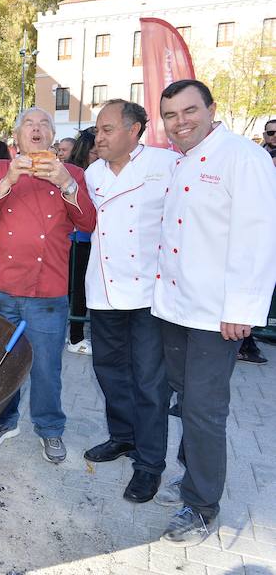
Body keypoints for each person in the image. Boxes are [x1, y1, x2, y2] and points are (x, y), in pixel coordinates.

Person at [150, 80, 276, 546]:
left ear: (211, 109)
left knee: (204, 411)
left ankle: (202, 507)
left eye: (189, 111)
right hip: (177, 307)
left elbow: (258, 237)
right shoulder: (179, 161)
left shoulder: (244, 157)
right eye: (170, 115)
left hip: (216, 315)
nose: (180, 122)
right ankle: (190, 482)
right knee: (186, 400)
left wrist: (241, 309)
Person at [0, 107, 97, 463]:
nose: (37, 129)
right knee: (2, 363)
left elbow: (87, 221)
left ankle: (50, 428)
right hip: (3, 287)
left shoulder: (71, 173)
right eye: (30, 124)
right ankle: (5, 420)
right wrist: (8, 180)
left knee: (46, 367)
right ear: (17, 136)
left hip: (48, 290)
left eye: (44, 124)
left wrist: (67, 184)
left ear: (53, 136)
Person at [81, 99, 179, 505]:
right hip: (103, 291)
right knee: (109, 372)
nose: (98, 137)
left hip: (148, 294)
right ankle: (122, 437)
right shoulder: (91, 173)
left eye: (106, 129)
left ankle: (150, 463)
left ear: (134, 129)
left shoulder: (165, 165)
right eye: (97, 130)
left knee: (150, 383)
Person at [65, 128, 99, 355]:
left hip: (91, 240)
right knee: (78, 290)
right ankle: (75, 337)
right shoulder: (76, 174)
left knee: (81, 289)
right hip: (77, 240)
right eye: (95, 151)